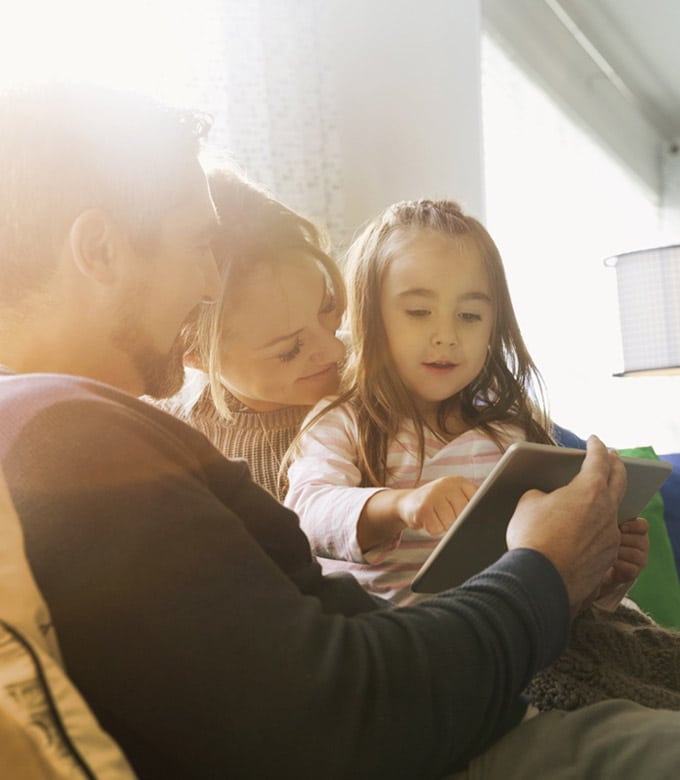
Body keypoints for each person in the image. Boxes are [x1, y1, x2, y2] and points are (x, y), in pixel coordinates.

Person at [1, 83, 679, 780]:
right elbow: (337, 717)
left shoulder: (68, 430)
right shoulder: (63, 444)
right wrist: (545, 571)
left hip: (444, 684)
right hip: (441, 725)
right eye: (199, 245)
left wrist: (579, 565)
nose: (210, 284)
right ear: (100, 250)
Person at [286, 199, 648, 608]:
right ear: (370, 316)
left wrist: (604, 574)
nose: (447, 335)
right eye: (419, 311)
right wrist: (399, 505)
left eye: (470, 316)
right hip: (399, 638)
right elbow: (307, 513)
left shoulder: (513, 433)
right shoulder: (344, 420)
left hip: (507, 629)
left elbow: (550, 579)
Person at [158, 169, 346, 499]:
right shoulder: (167, 443)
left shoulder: (380, 390)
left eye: (327, 307)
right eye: (290, 349)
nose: (336, 350)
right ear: (194, 355)